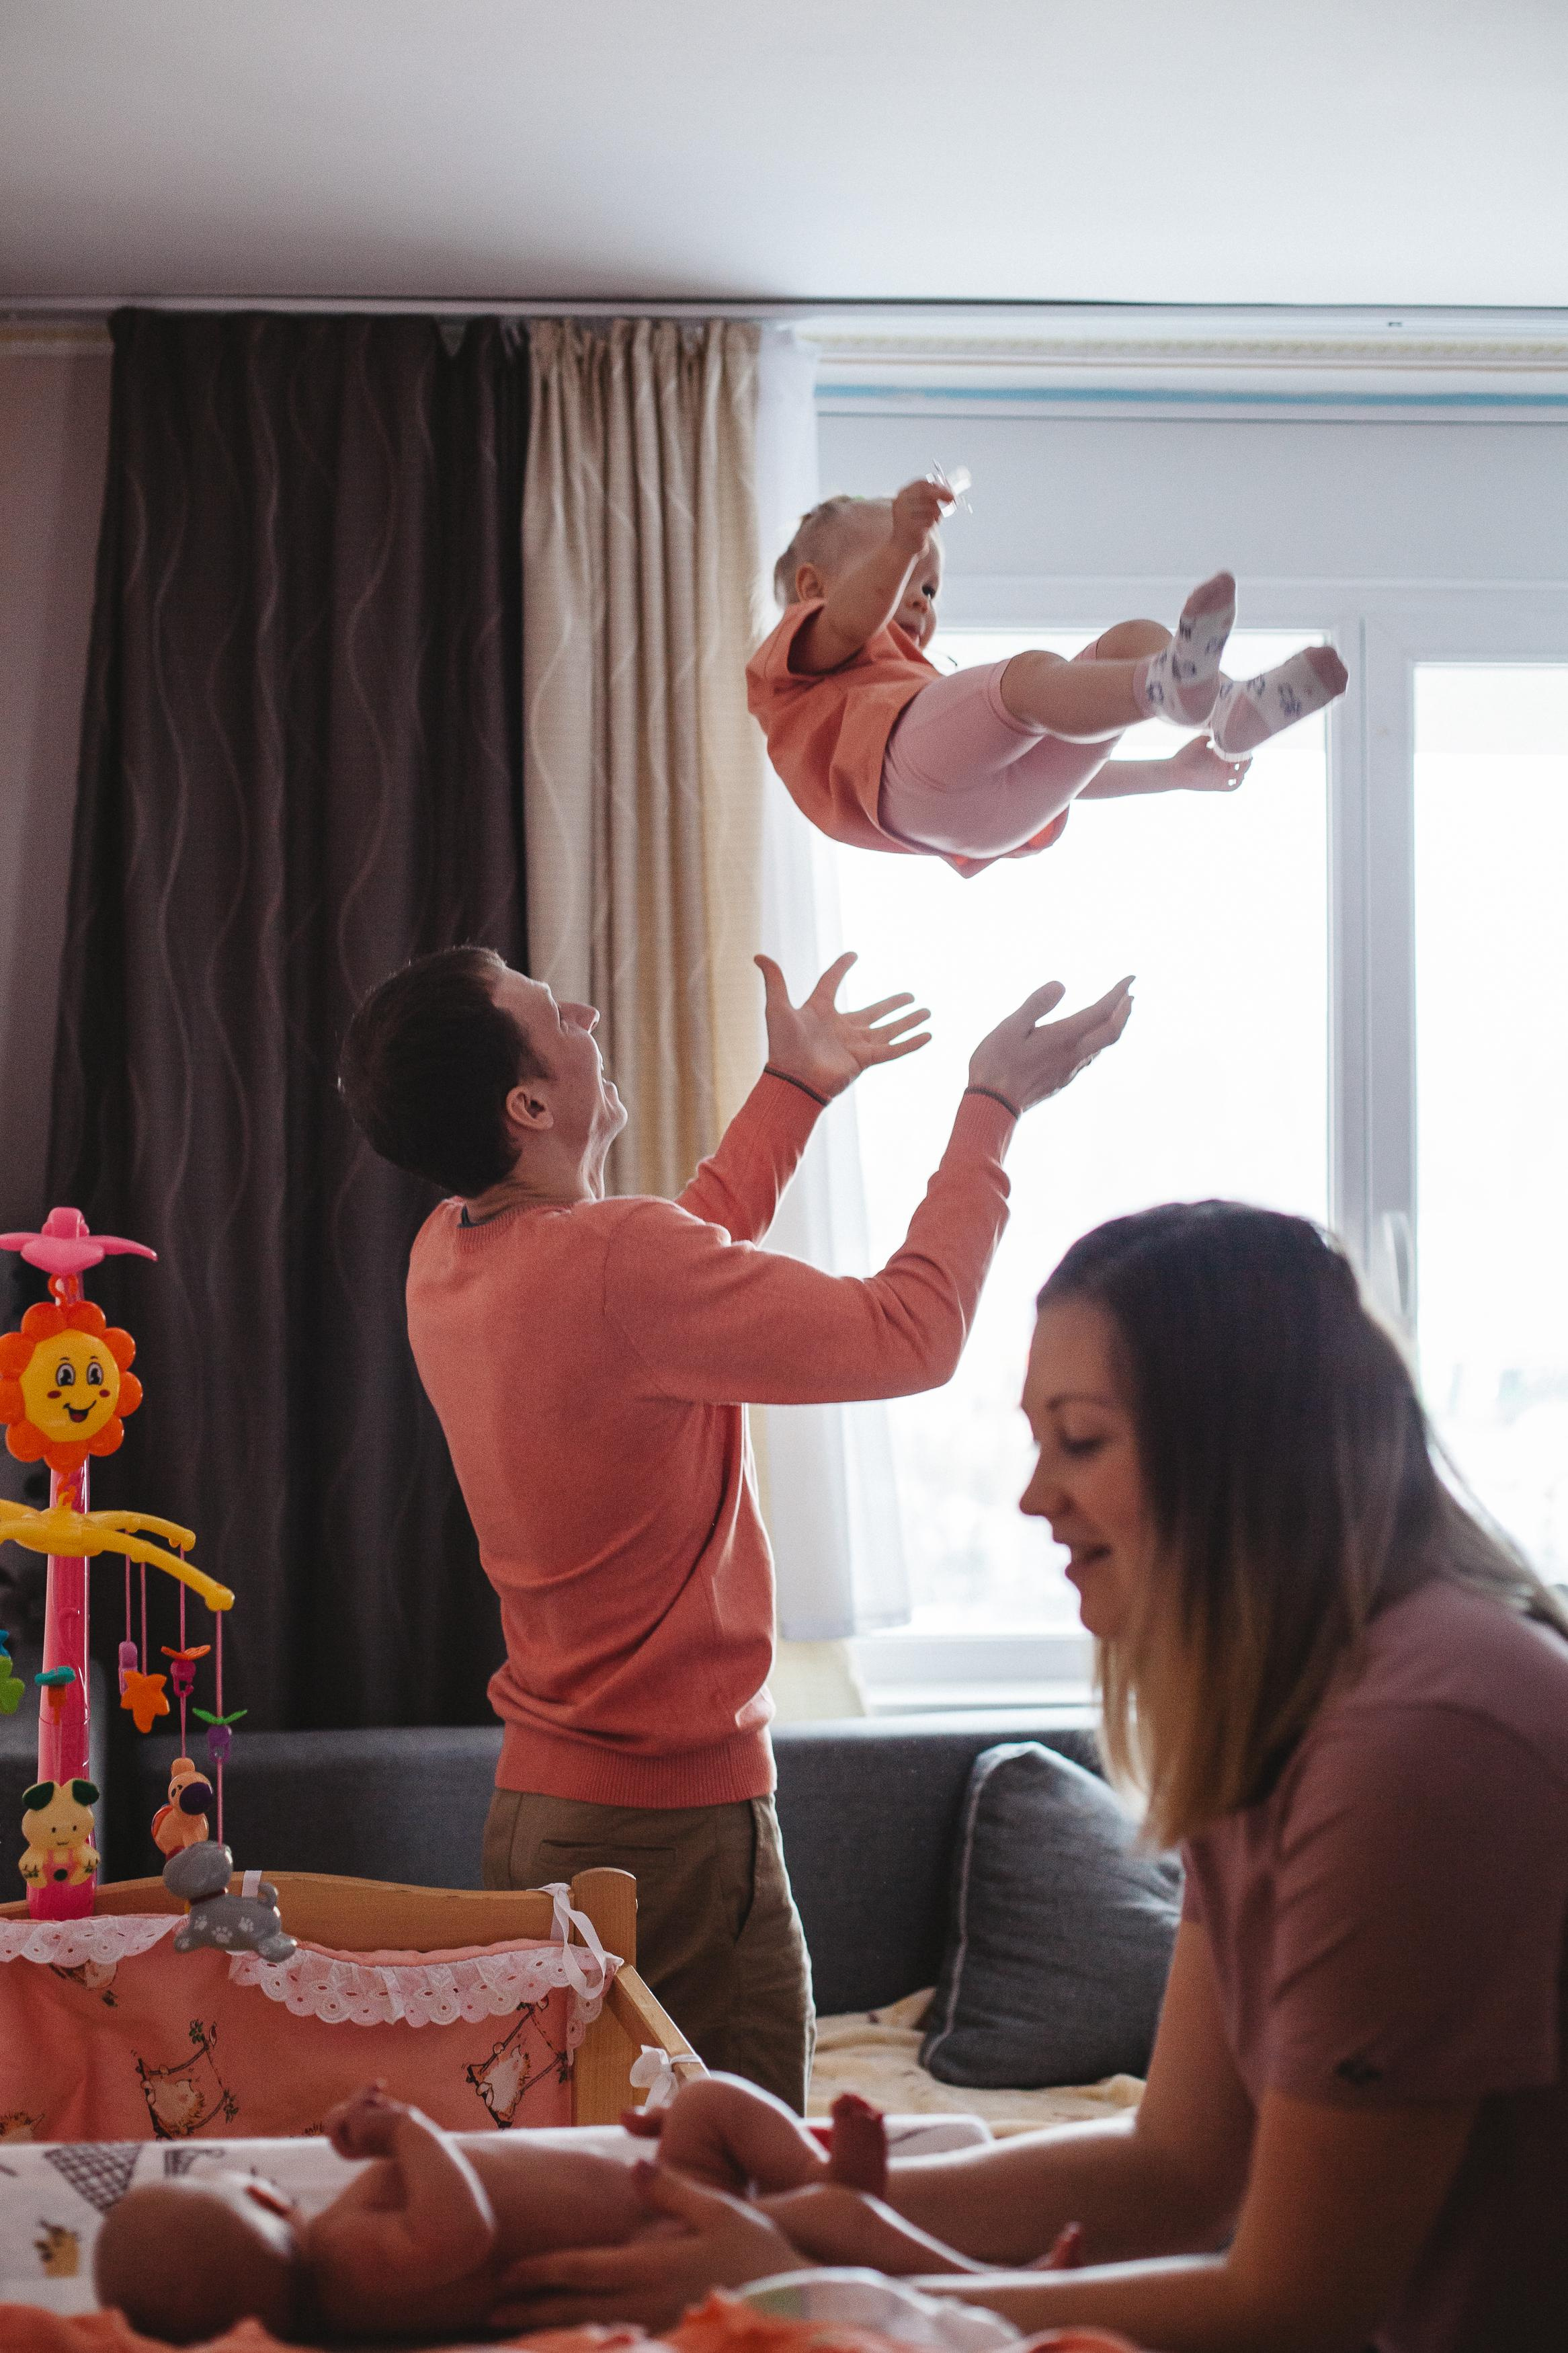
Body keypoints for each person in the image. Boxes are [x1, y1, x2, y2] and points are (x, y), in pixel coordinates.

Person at [495, 1204, 1568, 2352]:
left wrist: (810, 2290)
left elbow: (1292, 2301)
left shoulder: (1422, 1743)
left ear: (1240, 1445)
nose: (1032, 1496)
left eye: (1083, 1441)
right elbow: (1178, 2166)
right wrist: (791, 2207)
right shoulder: (1288, 1715)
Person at [338, 943, 1132, 2114]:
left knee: (605, 2162)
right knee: (744, 2185)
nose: (585, 1008)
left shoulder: (447, 1255)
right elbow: (910, 1331)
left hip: (538, 1819)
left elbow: (669, 1269)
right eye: (547, 1008)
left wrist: (794, 1088)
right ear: (529, 1105)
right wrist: (991, 1111)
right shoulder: (616, 1267)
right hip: (669, 1831)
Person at [746, 478, 1348, 876]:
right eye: (901, 569)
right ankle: (1173, 692)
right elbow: (854, 620)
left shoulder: (916, 687)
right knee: (1026, 681)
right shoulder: (808, 652)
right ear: (813, 588)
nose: (922, 596)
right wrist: (905, 541)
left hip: (991, 822)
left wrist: (1170, 774)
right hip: (898, 788)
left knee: (1126, 642)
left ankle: (1224, 711)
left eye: (930, 586)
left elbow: (1067, 776)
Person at [91, 2078, 976, 2346]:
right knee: (715, 2107)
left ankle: (821, 2185)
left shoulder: (339, 2300)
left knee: (715, 2120)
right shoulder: (345, 2256)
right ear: (259, 2195)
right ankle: (963, 2276)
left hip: (660, 2220)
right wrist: (407, 2133)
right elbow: (460, 2230)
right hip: (656, 2231)